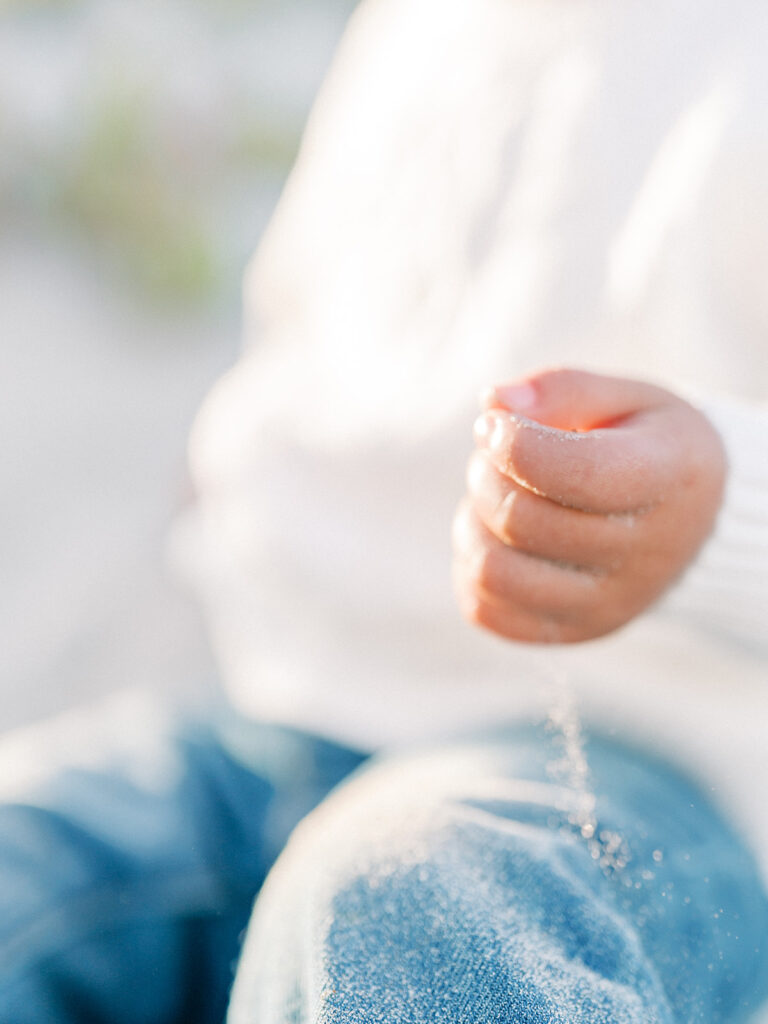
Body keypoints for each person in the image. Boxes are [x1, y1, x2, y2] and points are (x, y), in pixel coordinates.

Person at [3, 0, 768, 1020]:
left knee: (417, 915)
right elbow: (304, 320)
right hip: (272, 725)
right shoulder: (420, 26)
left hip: (618, 784)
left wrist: (718, 511)